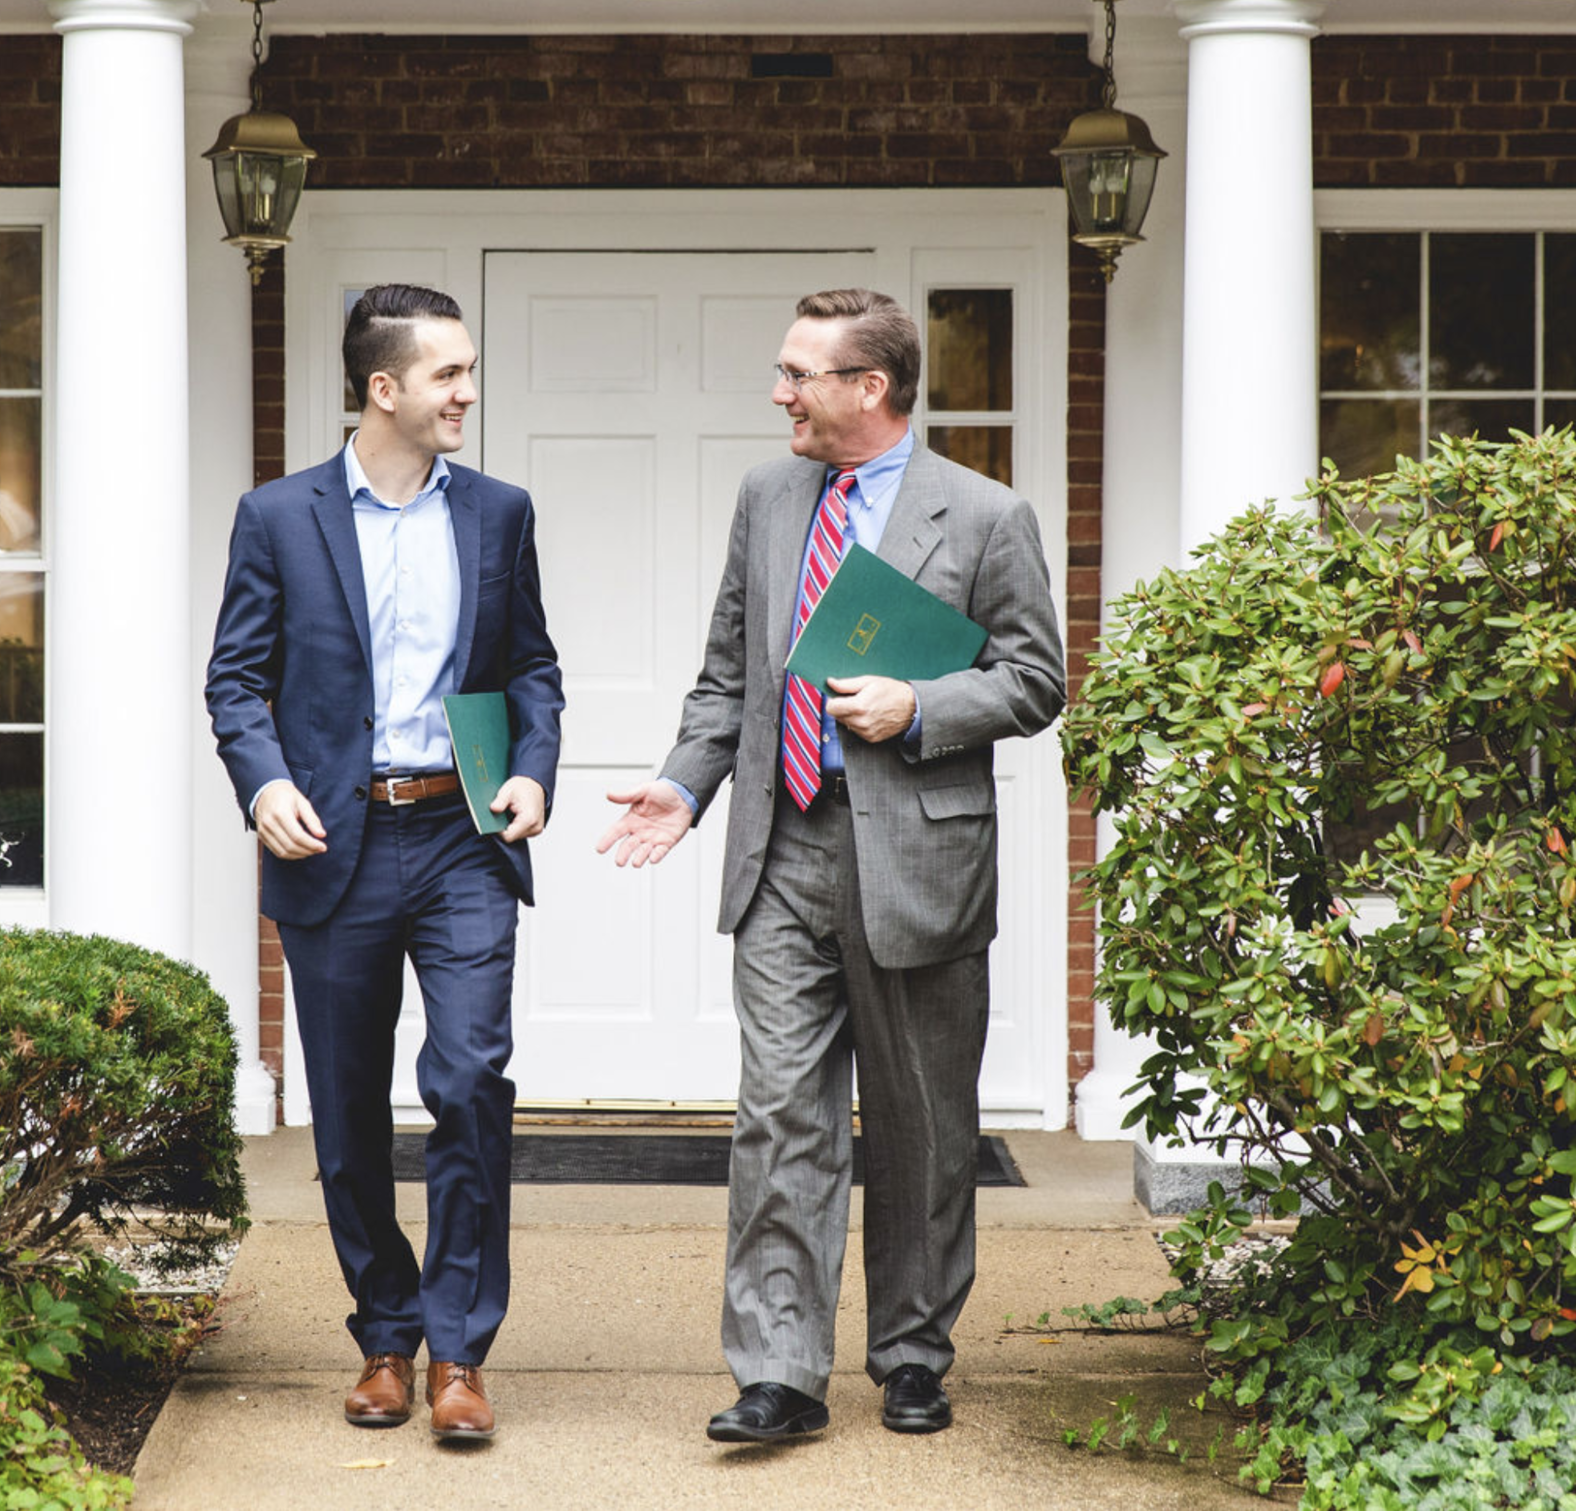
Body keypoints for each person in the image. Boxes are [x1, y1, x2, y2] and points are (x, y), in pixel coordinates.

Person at [598, 288, 1065, 1442]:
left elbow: (1036, 679)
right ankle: (780, 1371)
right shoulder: (768, 497)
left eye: (798, 373)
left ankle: (911, 1349)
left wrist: (921, 702)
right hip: (784, 846)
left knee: (920, 1121)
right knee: (781, 1115)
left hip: (917, 854)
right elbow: (726, 674)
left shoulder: (987, 514)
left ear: (872, 388)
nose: (779, 393)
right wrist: (684, 780)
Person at [206, 283, 562, 1442]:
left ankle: (459, 1349)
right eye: (449, 373)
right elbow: (235, 680)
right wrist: (263, 784)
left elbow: (531, 671)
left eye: (468, 370)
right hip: (335, 844)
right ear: (384, 388)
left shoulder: (498, 512)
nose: (468, 391)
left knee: (468, 1081)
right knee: (349, 1108)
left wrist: (533, 767)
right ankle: (383, 1333)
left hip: (462, 836)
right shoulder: (277, 515)